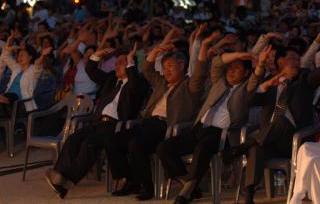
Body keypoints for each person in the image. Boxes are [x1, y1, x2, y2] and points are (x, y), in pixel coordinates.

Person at [105, 26, 219, 201]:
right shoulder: (162, 83)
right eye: (164, 67)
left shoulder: (189, 86)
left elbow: (200, 73)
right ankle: (131, 179)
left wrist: (204, 46)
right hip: (147, 123)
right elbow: (147, 69)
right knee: (113, 140)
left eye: (170, 67)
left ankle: (147, 186)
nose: (166, 71)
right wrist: (156, 51)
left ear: (181, 65)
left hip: (166, 126)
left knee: (136, 144)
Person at [157, 43, 268, 204]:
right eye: (229, 67)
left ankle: (185, 193)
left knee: (202, 149)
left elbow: (256, 76)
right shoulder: (219, 82)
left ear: (245, 73)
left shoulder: (246, 89)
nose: (231, 71)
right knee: (164, 148)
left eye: (236, 68)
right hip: (199, 128)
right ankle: (189, 184)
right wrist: (237, 55)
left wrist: (261, 63)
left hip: (221, 134)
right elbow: (216, 63)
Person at [44, 44, 148, 199]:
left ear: (130, 65)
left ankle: (66, 181)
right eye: (116, 62)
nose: (116, 65)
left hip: (116, 126)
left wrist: (131, 62)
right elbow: (91, 70)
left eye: (121, 62)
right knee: (73, 139)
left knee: (89, 144)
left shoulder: (138, 83)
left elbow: (134, 86)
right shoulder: (111, 79)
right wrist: (97, 55)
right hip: (97, 122)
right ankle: (59, 176)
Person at [225, 46, 320, 204]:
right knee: (256, 149)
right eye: (292, 59)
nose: (297, 62)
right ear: (280, 61)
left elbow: (317, 74)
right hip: (270, 141)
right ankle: (249, 194)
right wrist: (267, 84)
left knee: (282, 120)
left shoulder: (304, 80)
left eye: (298, 59)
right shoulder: (269, 84)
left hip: (295, 140)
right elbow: (249, 101)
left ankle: (246, 145)